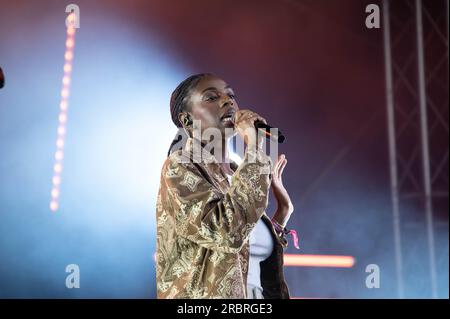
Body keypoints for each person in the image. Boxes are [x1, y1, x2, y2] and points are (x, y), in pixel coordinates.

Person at [156, 73, 296, 299]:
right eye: (211, 98)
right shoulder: (180, 166)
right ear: (187, 120)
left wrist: (280, 216)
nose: (227, 101)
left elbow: (249, 256)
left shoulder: (237, 174)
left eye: (231, 96)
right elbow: (226, 233)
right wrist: (254, 148)